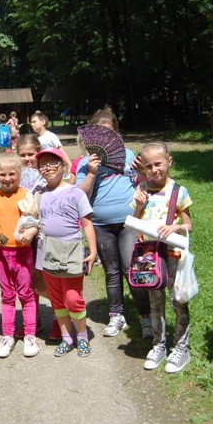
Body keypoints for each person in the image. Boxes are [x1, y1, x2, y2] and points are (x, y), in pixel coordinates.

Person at [75, 107, 152, 338]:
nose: (105, 139)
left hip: (130, 221)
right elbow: (80, 195)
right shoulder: (85, 163)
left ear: (116, 134)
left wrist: (143, 173)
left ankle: (146, 316)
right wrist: (91, 173)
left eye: (109, 133)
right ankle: (116, 314)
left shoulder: (128, 155)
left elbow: (142, 183)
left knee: (132, 267)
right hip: (100, 224)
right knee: (112, 271)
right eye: (100, 134)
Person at [132, 142, 194, 374]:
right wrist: (139, 206)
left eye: (158, 164)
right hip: (149, 256)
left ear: (169, 162)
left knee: (178, 299)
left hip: (173, 254)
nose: (154, 170)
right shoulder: (141, 189)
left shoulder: (179, 191)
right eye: (148, 166)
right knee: (155, 301)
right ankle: (159, 344)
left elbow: (188, 224)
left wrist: (175, 228)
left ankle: (181, 347)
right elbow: (135, 219)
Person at [36, 148, 98, 357]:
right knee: (57, 300)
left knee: (73, 298)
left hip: (71, 252)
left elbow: (87, 224)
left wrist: (93, 251)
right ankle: (66, 338)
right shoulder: (39, 194)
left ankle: (82, 337)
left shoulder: (76, 192)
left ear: (63, 166)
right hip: (48, 252)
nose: (48, 168)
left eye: (53, 163)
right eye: (42, 165)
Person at [0, 153, 41, 358]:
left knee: (26, 294)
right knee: (7, 295)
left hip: (23, 253)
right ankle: (7, 335)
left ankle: (30, 335)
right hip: (1, 253)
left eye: (12, 174)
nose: (7, 178)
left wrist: (31, 232)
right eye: (2, 174)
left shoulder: (27, 196)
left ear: (19, 174)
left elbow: (35, 222)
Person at [15, 133, 62, 340]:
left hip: (46, 235)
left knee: (52, 279)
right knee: (28, 280)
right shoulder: (16, 176)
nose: (27, 159)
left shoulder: (48, 177)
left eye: (31, 154)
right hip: (23, 236)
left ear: (39, 152)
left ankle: (59, 320)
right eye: (22, 155)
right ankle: (33, 321)